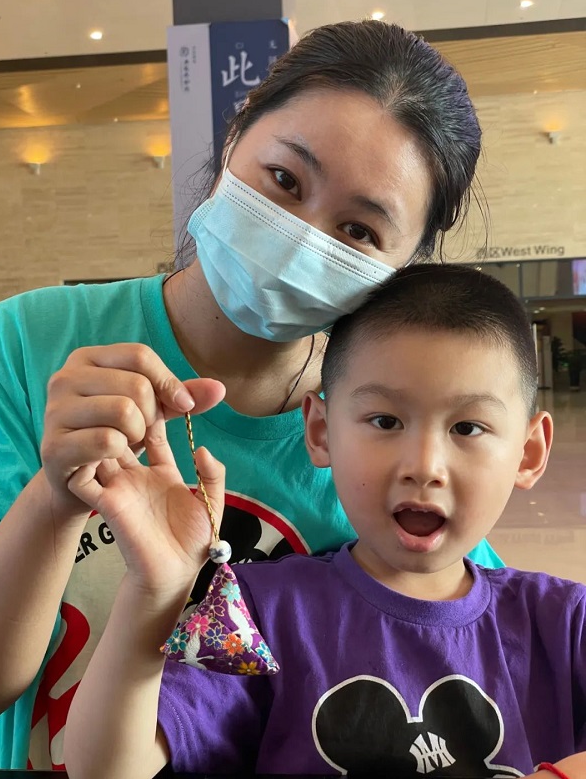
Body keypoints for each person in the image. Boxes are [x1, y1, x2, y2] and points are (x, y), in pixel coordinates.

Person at [0, 20, 502, 770]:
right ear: (236, 136)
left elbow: (479, 649)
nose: (299, 236)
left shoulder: (386, 433)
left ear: (404, 269)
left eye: (358, 230)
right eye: (285, 180)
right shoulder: (24, 344)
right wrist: (52, 499)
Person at [64, 264, 586, 779]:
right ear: (320, 431)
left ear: (528, 452)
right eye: (385, 421)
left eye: (468, 427)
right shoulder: (257, 613)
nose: (425, 466)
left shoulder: (565, 623)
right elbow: (107, 769)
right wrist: (153, 590)